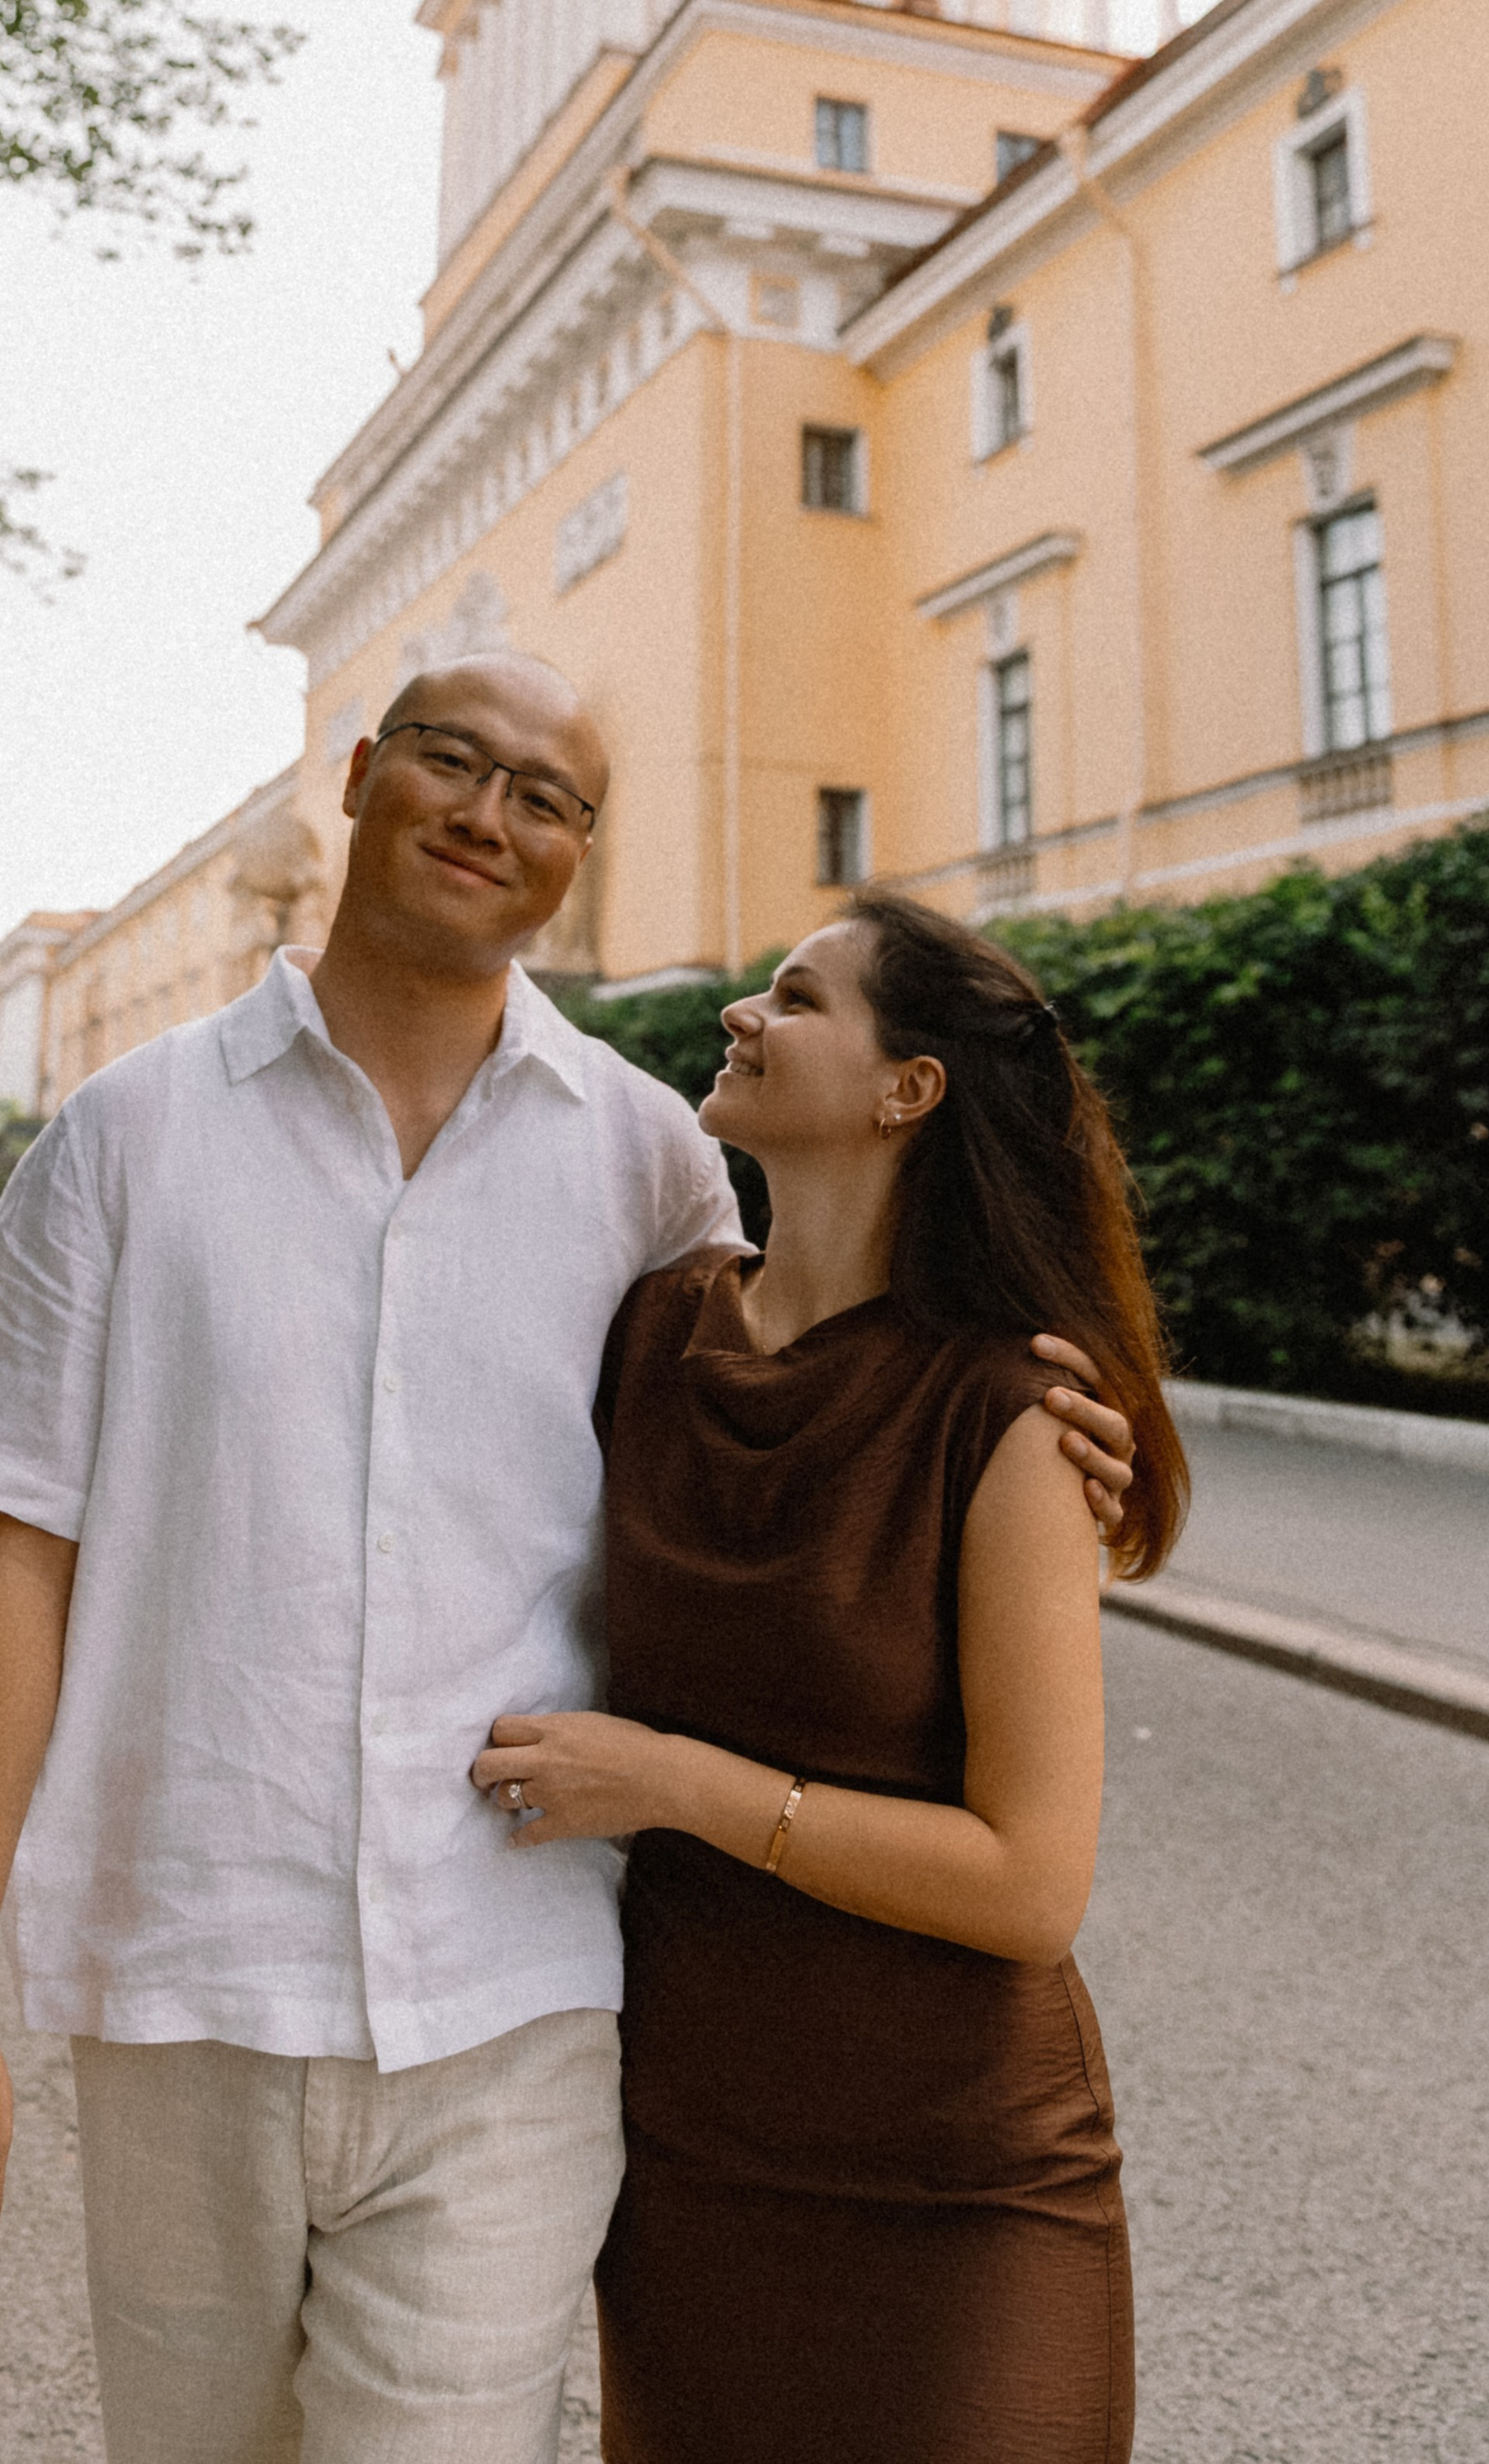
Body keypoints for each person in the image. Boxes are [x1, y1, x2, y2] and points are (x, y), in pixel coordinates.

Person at [0, 657, 1138, 2464]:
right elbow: (21, 1557)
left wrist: (1058, 1435)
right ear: (359, 776)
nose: (490, 815)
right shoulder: (125, 1136)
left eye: (545, 797)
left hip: (517, 1990)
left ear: (576, 854)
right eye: (453, 763)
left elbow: (824, 1396)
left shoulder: (643, 1159)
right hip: (190, 1973)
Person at [474, 890, 1188, 2464]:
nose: (742, 1011)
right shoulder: (646, 1335)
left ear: (906, 1088)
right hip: (694, 2161)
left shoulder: (1010, 1411)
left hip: (963, 2183)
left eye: (797, 997)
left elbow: (1032, 1884)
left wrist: (672, 1782)